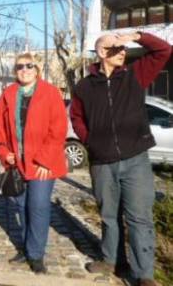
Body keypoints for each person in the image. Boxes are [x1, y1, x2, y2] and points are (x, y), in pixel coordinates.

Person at [70, 32, 171, 286]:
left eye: (124, 47)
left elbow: (163, 51)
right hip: (102, 162)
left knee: (139, 217)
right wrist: (89, 141)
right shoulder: (83, 86)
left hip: (135, 159)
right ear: (102, 52)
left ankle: (144, 275)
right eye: (117, 47)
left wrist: (137, 35)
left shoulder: (134, 75)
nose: (123, 51)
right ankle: (112, 260)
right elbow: (76, 117)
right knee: (108, 215)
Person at [0, 52, 68, 274]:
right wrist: (3, 151)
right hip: (17, 162)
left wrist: (45, 160)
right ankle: (27, 248)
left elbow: (58, 129)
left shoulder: (50, 92)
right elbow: (0, 129)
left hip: (42, 163)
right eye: (19, 67)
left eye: (29, 66)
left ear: (37, 69)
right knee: (21, 206)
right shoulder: (8, 94)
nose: (24, 70)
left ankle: (36, 254)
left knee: (37, 206)